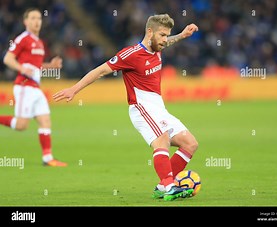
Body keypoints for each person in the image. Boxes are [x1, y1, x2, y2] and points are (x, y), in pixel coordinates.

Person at [53, 14, 198, 200]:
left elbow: (167, 42)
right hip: (141, 107)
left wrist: (181, 35)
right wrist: (74, 89)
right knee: (162, 139)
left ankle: (163, 185)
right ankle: (169, 186)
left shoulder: (158, 46)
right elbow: (101, 70)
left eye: (166, 35)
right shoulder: (130, 54)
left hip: (158, 107)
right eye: (162, 35)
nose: (164, 40)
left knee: (190, 144)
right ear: (149, 32)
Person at [0, 8, 67, 167]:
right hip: (24, 86)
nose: (36, 21)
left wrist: (50, 66)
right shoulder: (23, 39)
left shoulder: (39, 42)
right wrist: (21, 68)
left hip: (35, 87)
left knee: (45, 120)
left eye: (38, 18)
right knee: (22, 125)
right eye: (32, 18)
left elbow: (36, 66)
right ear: (25, 21)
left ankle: (47, 158)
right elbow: (7, 58)